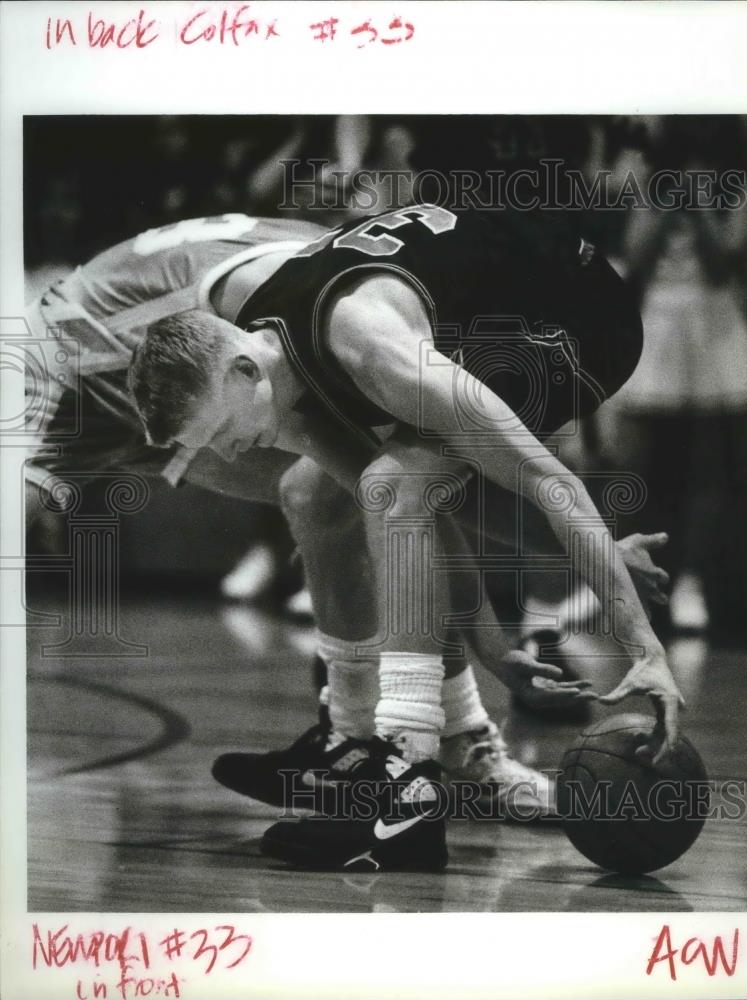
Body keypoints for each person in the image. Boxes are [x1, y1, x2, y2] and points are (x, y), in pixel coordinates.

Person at [129, 203, 683, 872]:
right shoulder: (269, 362)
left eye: (219, 431)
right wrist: (490, 643)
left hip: (578, 315)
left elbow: (546, 481)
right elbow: (421, 526)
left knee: (396, 485)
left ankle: (409, 775)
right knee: (317, 490)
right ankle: (370, 750)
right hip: (472, 305)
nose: (228, 450)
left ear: (243, 373)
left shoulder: (371, 347)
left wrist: (642, 645)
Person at [24, 211, 586, 829]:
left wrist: (558, 568)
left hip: (137, 339)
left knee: (334, 493)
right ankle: (418, 743)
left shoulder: (338, 317)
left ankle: (400, 742)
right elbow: (410, 503)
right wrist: (511, 623)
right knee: (347, 492)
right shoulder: (326, 318)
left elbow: (406, 503)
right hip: (80, 357)